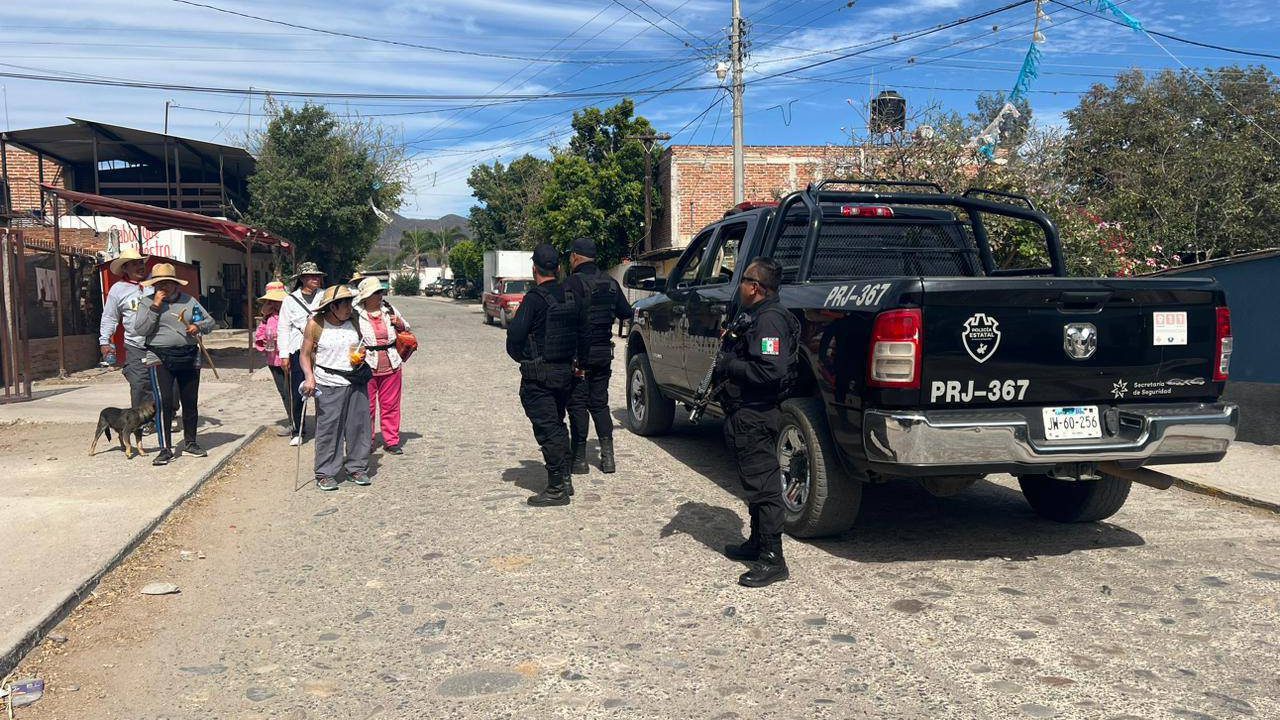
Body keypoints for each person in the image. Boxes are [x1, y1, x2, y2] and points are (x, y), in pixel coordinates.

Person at [717, 257, 800, 588]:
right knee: (753, 482)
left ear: (756, 287)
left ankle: (772, 559)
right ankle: (756, 542)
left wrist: (730, 365)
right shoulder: (756, 317)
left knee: (764, 486)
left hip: (758, 412)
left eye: (744, 279)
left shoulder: (770, 322)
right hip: (745, 411)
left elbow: (770, 370)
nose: (739, 285)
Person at [506, 244, 587, 507]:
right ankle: (564, 479)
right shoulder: (572, 294)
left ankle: (556, 489)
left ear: (534, 270)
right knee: (557, 425)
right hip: (567, 374)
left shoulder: (534, 299)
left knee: (548, 429)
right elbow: (584, 332)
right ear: (559, 268)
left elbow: (514, 338)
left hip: (540, 377)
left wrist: (526, 359)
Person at [132, 263, 217, 466]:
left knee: (190, 400)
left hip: (188, 354)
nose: (164, 287)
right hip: (159, 356)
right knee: (164, 402)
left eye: (168, 283)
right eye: (160, 284)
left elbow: (208, 322)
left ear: (175, 284)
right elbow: (141, 329)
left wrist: (198, 326)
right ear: (154, 286)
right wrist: (155, 306)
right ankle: (165, 449)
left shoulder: (189, 302)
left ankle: (190, 443)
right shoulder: (146, 302)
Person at [564, 237, 633, 475]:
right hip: (603, 354)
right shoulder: (611, 283)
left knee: (578, 406)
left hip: (578, 357)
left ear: (575, 257)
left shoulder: (571, 283)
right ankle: (608, 459)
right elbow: (626, 313)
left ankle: (580, 460)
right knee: (600, 404)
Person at [300, 284, 373, 492]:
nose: (350, 308)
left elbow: (361, 343)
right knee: (329, 429)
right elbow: (305, 354)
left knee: (359, 427)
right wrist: (309, 377)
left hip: (355, 380)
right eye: (345, 304)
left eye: (351, 303)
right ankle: (325, 472)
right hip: (328, 383)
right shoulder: (316, 324)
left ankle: (356, 468)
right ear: (332, 307)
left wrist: (362, 354)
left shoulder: (354, 320)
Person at [354, 276, 410, 455]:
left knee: (391, 405)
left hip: (391, 363)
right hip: (366, 365)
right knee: (366, 407)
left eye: (380, 292)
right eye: (375, 293)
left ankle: (391, 440)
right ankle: (366, 440)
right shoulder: (356, 314)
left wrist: (399, 323)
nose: (379, 296)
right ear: (366, 296)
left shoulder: (389, 309)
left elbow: (405, 327)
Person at [277, 262, 326, 445]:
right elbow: (283, 328)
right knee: (298, 391)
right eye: (312, 276)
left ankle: (325, 427)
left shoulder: (325, 296)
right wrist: (283, 354)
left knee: (324, 389)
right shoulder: (290, 300)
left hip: (322, 348)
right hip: (298, 349)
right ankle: (298, 429)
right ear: (303, 279)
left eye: (317, 276)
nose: (316, 279)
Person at [98, 248, 152, 409]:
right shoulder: (118, 290)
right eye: (134, 264)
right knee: (139, 382)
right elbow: (110, 317)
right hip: (136, 345)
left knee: (168, 381)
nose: (140, 267)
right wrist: (105, 341)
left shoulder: (156, 283)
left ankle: (168, 414)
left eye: (141, 263)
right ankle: (143, 419)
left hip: (161, 342)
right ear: (125, 268)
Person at [253, 280, 292, 435]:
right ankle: (292, 421)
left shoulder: (289, 314)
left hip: (288, 358)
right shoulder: (268, 318)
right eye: (272, 301)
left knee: (290, 391)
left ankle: (296, 424)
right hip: (273, 359)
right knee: (283, 392)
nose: (275, 303)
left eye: (277, 300)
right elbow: (260, 335)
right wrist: (264, 319)